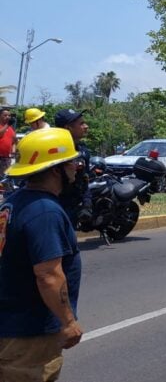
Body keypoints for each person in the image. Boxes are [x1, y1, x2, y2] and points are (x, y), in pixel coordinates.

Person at [0, 128, 84, 380]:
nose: (76, 168)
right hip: (28, 334)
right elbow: (48, 274)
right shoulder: (45, 211)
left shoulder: (13, 202)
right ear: (56, 169)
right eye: (72, 162)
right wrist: (68, 322)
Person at [54, 109, 92, 226]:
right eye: (81, 124)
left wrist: (87, 204)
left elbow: (84, 181)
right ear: (68, 128)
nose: (86, 126)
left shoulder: (83, 151)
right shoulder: (54, 151)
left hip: (73, 206)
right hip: (56, 207)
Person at [0, 108, 14, 174]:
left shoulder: (11, 128)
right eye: (5, 115)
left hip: (6, 158)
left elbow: (13, 141)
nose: (8, 117)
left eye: (9, 115)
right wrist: (7, 125)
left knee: (5, 179)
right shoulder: (6, 126)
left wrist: (13, 151)